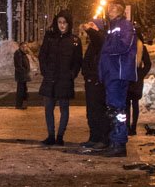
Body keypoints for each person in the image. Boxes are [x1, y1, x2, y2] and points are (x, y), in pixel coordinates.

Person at [93, 0, 138, 157]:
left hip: (118, 72)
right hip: (112, 73)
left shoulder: (124, 26)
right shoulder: (112, 27)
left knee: (117, 109)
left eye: (113, 8)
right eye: (109, 7)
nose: (109, 10)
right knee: (113, 108)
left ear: (120, 10)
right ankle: (115, 141)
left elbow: (124, 45)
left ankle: (119, 143)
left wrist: (107, 48)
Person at [36, 10, 81, 145]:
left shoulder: (74, 41)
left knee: (64, 109)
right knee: (48, 108)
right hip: (50, 78)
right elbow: (42, 55)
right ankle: (51, 135)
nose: (62, 25)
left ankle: (60, 136)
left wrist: (72, 75)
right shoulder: (50, 37)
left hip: (65, 80)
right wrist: (45, 71)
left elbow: (78, 61)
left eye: (64, 23)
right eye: (60, 22)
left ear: (69, 24)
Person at [75, 19, 109, 153]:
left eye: (93, 24)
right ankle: (94, 137)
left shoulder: (101, 38)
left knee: (99, 111)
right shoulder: (94, 42)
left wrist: (89, 29)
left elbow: (99, 38)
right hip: (90, 80)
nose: (90, 26)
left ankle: (103, 139)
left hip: (97, 81)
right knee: (91, 111)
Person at [127, 31, 152, 136]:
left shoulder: (138, 47)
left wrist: (141, 74)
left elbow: (148, 64)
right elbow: (148, 64)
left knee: (131, 103)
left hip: (133, 78)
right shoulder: (134, 47)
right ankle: (129, 127)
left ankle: (131, 127)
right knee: (129, 103)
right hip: (131, 78)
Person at [13, 42, 31, 109]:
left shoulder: (23, 54)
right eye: (23, 47)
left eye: (25, 47)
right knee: (21, 91)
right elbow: (18, 66)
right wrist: (25, 72)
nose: (24, 48)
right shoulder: (18, 54)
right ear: (20, 47)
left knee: (24, 90)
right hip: (21, 76)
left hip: (24, 76)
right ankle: (19, 105)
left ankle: (22, 105)